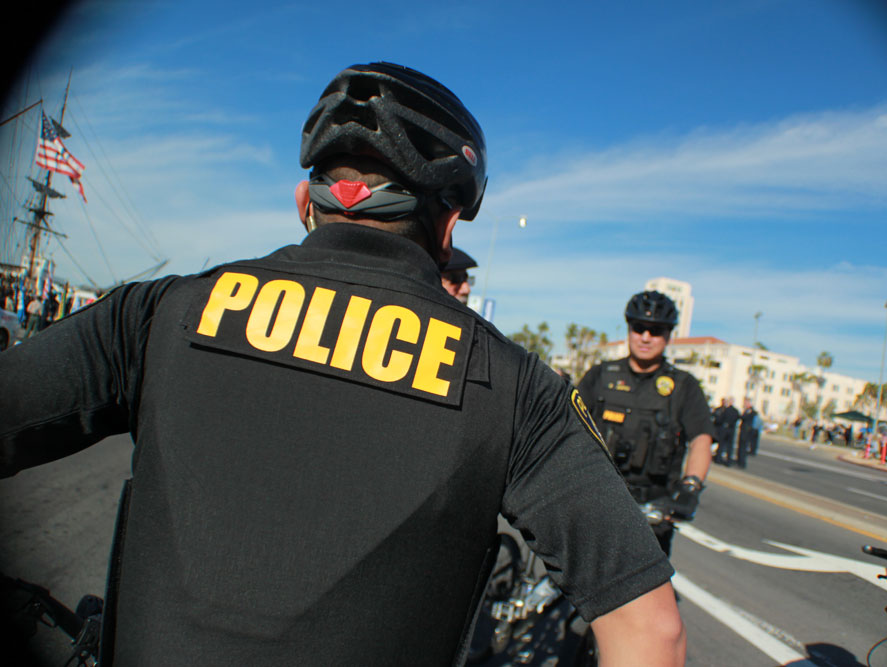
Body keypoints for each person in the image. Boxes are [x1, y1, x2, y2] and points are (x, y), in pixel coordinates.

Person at [1, 62, 684, 665]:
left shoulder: (157, 312)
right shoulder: (515, 387)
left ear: (306, 203)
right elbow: (651, 631)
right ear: (447, 229)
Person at [577, 290, 713, 557]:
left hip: (653, 508)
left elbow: (701, 439)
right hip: (597, 496)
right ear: (629, 329)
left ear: (668, 335)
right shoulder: (600, 376)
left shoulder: (684, 386)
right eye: (639, 328)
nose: (646, 337)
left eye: (656, 330)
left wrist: (691, 487)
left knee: (642, 592)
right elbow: (567, 426)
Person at [711, 397, 739, 466]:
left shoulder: (726, 410)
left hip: (724, 429)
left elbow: (720, 419)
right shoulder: (736, 411)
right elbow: (737, 419)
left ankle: (718, 459)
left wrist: (717, 421)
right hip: (731, 430)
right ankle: (728, 461)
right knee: (729, 446)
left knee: (721, 444)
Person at [736, 399, 760, 468]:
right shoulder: (747, 411)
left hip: (746, 432)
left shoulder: (750, 411)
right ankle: (739, 461)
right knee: (740, 447)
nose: (744, 405)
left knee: (743, 448)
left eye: (745, 403)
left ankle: (742, 463)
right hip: (743, 431)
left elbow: (744, 417)